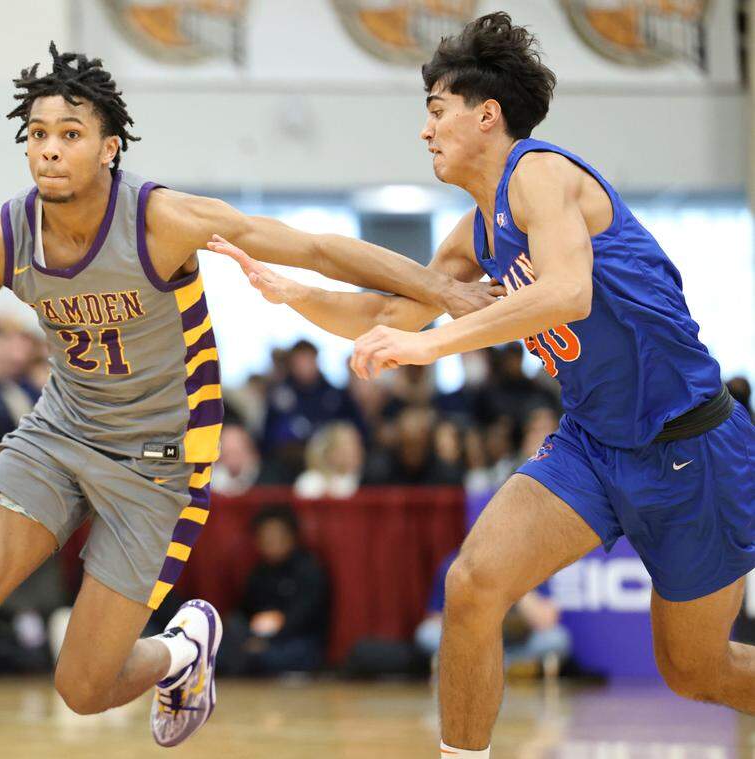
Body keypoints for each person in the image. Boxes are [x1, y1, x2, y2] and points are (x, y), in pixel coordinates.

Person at [0, 43, 497, 757]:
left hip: (157, 457)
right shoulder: (1, 238)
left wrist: (442, 289)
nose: (50, 150)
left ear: (108, 148)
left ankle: (182, 650)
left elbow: (312, 248)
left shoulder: (162, 219)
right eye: (37, 135)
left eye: (70, 134)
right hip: (57, 433)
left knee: (83, 688)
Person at [212, 13, 755, 758]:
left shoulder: (542, 173)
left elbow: (567, 292)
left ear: (486, 114)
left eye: (436, 109)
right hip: (594, 445)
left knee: (695, 671)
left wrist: (427, 344)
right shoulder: (473, 233)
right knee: (472, 583)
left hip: (690, 444)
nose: (426, 130)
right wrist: (288, 293)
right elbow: (389, 312)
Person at [415, 552, 569, 677]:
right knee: (427, 634)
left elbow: (547, 621)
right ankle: (496, 666)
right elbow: (435, 618)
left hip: (518, 643)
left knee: (556, 639)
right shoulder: (457, 564)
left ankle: (494, 666)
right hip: (473, 646)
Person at [222, 505, 329, 676]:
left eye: (276, 536)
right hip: (256, 639)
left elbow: (304, 617)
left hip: (295, 642)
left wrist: (269, 640)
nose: (270, 542)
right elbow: (245, 611)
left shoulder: (308, 569)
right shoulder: (259, 572)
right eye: (264, 536)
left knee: (266, 657)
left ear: (292, 537)